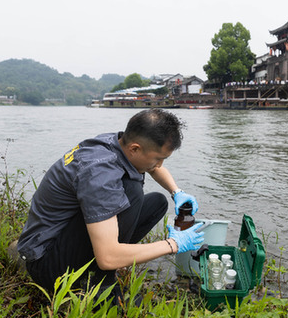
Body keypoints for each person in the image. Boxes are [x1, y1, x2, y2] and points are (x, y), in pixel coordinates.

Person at [17, 108, 204, 294]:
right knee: (132, 191)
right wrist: (173, 244)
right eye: (159, 159)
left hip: (63, 236)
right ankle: (100, 282)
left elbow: (152, 168)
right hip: (47, 262)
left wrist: (177, 191)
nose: (160, 165)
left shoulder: (117, 143)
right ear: (135, 148)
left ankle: (111, 257)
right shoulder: (100, 173)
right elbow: (107, 258)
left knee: (157, 203)